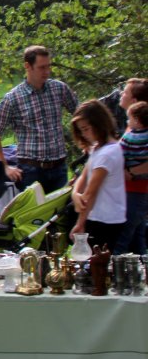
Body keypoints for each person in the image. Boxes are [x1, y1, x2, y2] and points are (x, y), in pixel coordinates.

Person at [0, 46, 78, 193]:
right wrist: (4, 166)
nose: (47, 72)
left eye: (48, 66)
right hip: (31, 170)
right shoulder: (13, 98)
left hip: (59, 167)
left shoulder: (59, 89)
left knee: (61, 213)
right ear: (27, 66)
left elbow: (81, 114)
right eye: (42, 68)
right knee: (35, 214)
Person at [70, 100, 126, 249]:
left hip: (106, 219)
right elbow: (83, 176)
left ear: (99, 124)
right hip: (96, 215)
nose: (84, 134)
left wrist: (80, 224)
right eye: (81, 130)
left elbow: (90, 193)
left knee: (98, 263)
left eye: (86, 129)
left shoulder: (108, 153)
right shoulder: (97, 148)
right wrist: (75, 193)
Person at [119, 101, 148, 254]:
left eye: (129, 119)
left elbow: (119, 153)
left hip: (131, 188)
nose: (127, 122)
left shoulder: (130, 137)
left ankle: (116, 261)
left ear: (136, 120)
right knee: (139, 232)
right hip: (143, 188)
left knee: (125, 232)